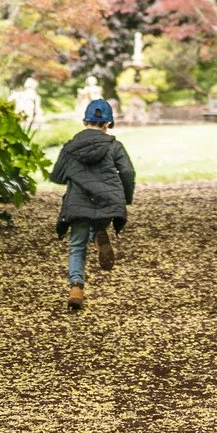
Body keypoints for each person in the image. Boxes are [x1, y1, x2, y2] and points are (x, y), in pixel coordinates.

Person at [48, 96, 135, 310]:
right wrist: (126, 197)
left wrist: (75, 174)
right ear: (107, 124)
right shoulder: (115, 146)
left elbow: (57, 176)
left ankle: (76, 287)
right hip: (106, 201)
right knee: (97, 224)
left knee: (77, 246)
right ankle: (98, 235)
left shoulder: (70, 148)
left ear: (84, 122)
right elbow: (127, 171)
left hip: (77, 202)